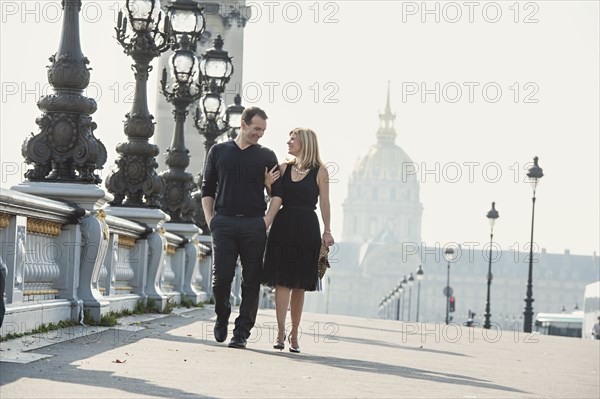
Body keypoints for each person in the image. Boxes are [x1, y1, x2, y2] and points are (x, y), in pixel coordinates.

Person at [201, 107, 283, 349]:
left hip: (253, 224)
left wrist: (266, 221)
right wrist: (210, 220)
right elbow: (207, 188)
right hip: (223, 222)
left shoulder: (267, 156)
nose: (260, 134)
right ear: (243, 124)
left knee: (251, 280)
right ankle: (222, 315)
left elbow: (278, 195)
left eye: (263, 130)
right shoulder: (218, 151)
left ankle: (242, 332)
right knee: (222, 278)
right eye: (257, 129)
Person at [262, 127, 334, 353]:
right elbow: (275, 196)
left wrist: (328, 230)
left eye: (293, 139)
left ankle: (294, 335)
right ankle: (280, 333)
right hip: (283, 226)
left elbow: (324, 203)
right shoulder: (283, 168)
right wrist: (267, 183)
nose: (288, 142)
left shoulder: (321, 171)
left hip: (307, 227)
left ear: (305, 143)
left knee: (300, 284)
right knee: (282, 281)